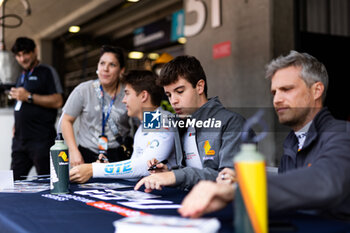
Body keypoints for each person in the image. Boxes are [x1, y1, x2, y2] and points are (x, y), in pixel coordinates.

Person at [178, 51, 350, 220]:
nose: (276, 100)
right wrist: (240, 181)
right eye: (274, 93)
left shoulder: (342, 134)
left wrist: (241, 190)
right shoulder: (293, 141)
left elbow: (325, 181)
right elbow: (292, 194)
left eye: (286, 89)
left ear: (316, 90)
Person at [134, 55, 247, 192]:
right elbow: (189, 172)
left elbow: (230, 179)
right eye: (169, 95)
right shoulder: (180, 124)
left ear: (199, 87)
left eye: (179, 91)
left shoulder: (233, 123)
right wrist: (167, 172)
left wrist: (176, 176)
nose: (173, 101)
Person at [69, 70, 176, 183]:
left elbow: (145, 167)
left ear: (144, 96)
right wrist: (107, 167)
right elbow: (135, 173)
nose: (124, 100)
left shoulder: (164, 120)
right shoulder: (143, 127)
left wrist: (94, 169)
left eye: (127, 93)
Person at [61, 45, 133, 167]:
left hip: (118, 156)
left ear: (121, 70)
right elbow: (66, 120)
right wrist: (73, 151)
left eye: (112, 65)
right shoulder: (83, 90)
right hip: (87, 155)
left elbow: (142, 122)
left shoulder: (129, 92)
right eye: (102, 63)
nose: (105, 69)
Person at [9, 37, 63, 180]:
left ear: (35, 51)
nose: (22, 59)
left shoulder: (47, 71)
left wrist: (29, 96)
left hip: (41, 140)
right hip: (20, 140)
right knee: (13, 183)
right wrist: (16, 124)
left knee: (48, 182)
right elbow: (21, 104)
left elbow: (58, 101)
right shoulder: (22, 75)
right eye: (18, 55)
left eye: (25, 53)